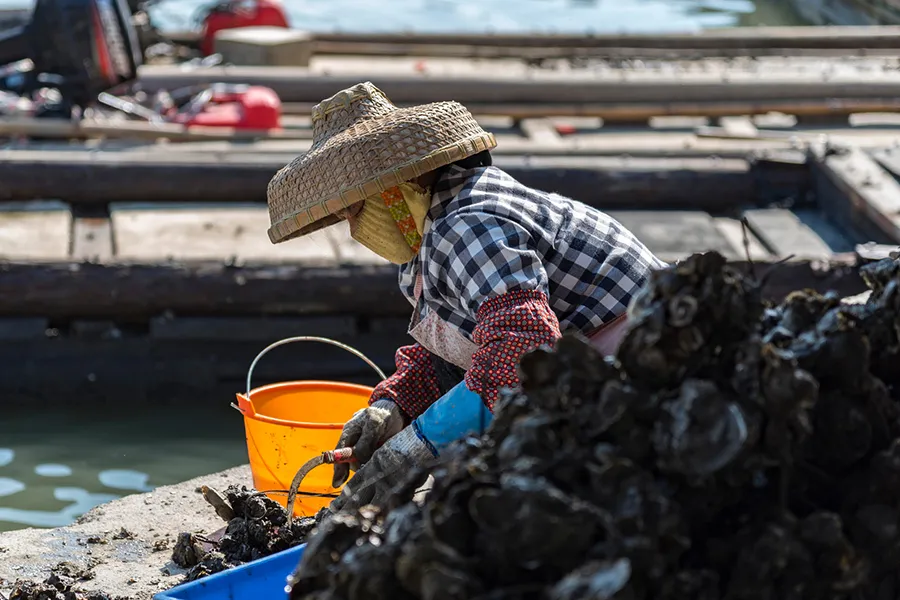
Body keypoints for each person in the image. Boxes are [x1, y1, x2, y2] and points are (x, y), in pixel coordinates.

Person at [265, 81, 668, 514]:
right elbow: (463, 341)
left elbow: (524, 345)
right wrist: (394, 406)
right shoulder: (431, 232)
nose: (352, 225)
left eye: (354, 209)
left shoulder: (468, 222)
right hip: (586, 362)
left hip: (648, 367)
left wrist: (414, 447)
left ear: (392, 191)